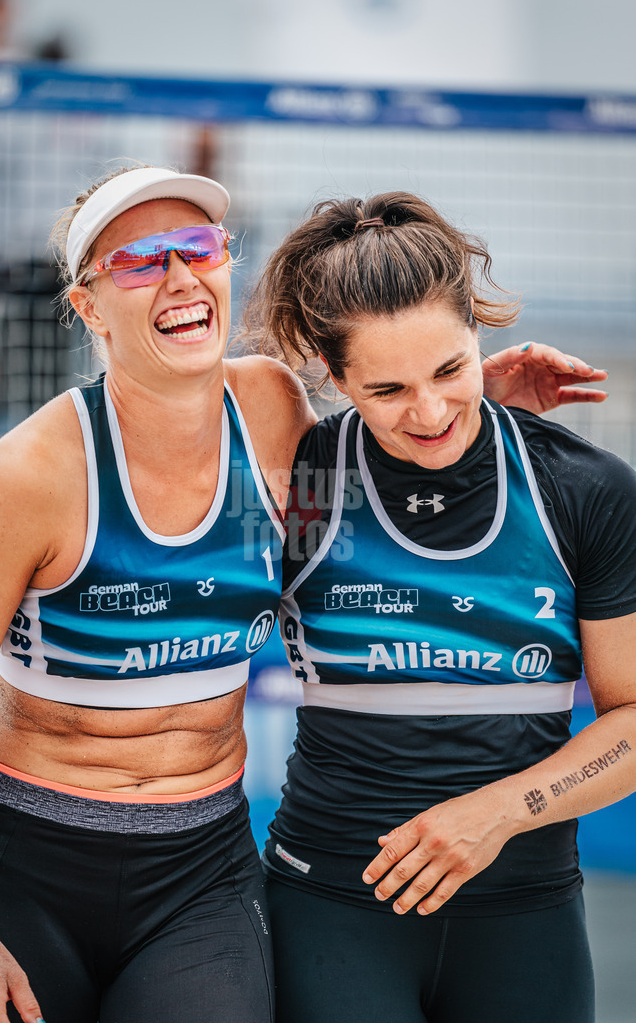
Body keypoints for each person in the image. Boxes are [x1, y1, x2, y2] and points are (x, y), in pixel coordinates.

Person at [0, 165, 606, 1023]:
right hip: (27, 852)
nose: (179, 277)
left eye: (197, 248)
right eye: (140, 261)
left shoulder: (268, 407)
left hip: (198, 864)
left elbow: (380, 471)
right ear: (88, 306)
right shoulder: (28, 476)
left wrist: (470, 404)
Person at [244, 191, 636, 1023]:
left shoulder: (582, 486)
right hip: (329, 903)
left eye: (449, 370)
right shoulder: (297, 482)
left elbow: (632, 720)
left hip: (526, 913)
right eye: (386, 388)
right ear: (333, 378)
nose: (427, 414)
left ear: (478, 331)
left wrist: (499, 810)